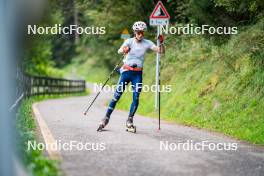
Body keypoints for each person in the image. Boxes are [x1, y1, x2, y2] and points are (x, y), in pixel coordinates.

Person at [98, 21, 165, 131]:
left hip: (137, 74)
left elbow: (161, 51)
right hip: (126, 72)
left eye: (142, 32)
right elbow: (119, 51)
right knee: (117, 95)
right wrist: (124, 49)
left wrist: (161, 43)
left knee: (136, 97)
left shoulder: (147, 43)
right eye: (138, 32)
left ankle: (129, 120)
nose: (140, 35)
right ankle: (106, 118)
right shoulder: (129, 41)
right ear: (135, 32)